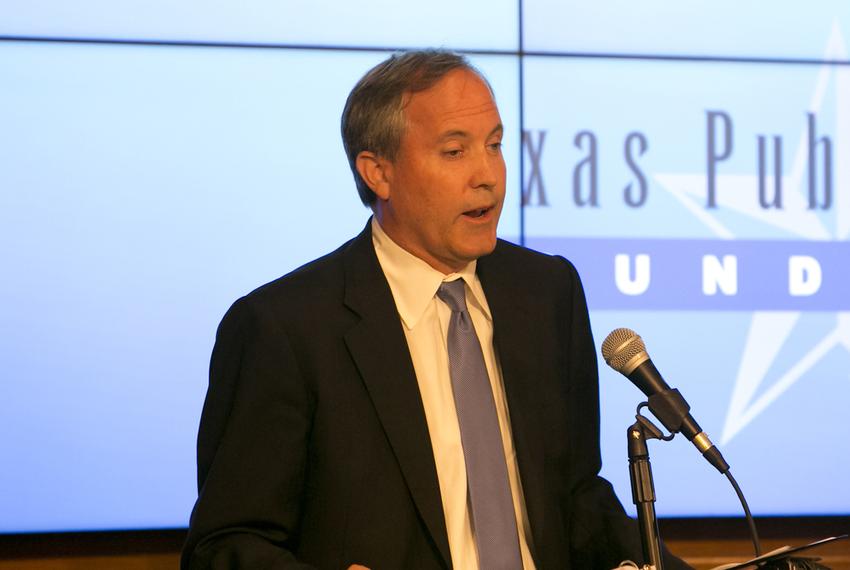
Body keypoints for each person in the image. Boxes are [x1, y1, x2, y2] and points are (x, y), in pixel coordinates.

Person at [182, 49, 690, 569]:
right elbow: (223, 546)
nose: (488, 175)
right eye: (454, 152)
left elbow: (577, 497)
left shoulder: (546, 293)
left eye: (494, 146)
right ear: (378, 173)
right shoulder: (285, 329)